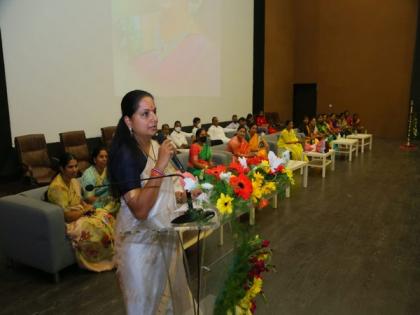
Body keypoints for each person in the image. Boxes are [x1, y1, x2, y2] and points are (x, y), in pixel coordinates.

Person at [108, 90, 193, 315]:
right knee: (146, 307)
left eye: (154, 111)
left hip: (165, 235)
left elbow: (164, 189)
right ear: (129, 121)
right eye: (145, 114)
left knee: (172, 302)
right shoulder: (125, 153)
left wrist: (181, 193)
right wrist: (160, 165)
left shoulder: (155, 144)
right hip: (140, 244)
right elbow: (141, 209)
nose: (154, 118)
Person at [47, 153, 115, 272]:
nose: (74, 170)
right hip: (70, 222)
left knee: (105, 215)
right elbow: (67, 216)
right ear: (61, 168)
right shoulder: (57, 188)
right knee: (96, 226)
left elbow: (80, 201)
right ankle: (103, 259)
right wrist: (85, 210)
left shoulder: (74, 181)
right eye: (70, 167)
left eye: (76, 166)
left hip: (80, 213)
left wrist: (88, 207)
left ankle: (115, 254)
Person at [80, 146, 120, 215]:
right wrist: (106, 199)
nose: (105, 159)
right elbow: (89, 198)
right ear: (95, 160)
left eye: (106, 157)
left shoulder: (108, 170)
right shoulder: (89, 175)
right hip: (95, 204)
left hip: (111, 201)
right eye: (101, 157)